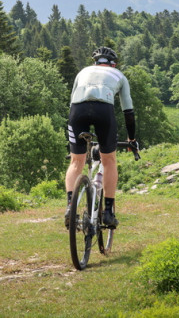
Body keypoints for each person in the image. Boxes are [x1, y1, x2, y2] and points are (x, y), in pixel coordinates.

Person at [65, 46, 137, 230]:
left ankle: (69, 208)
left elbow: (72, 101)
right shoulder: (119, 75)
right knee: (109, 160)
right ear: (113, 64)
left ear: (95, 63)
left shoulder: (83, 72)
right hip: (103, 111)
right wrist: (131, 139)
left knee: (75, 162)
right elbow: (128, 112)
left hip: (77, 111)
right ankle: (108, 213)